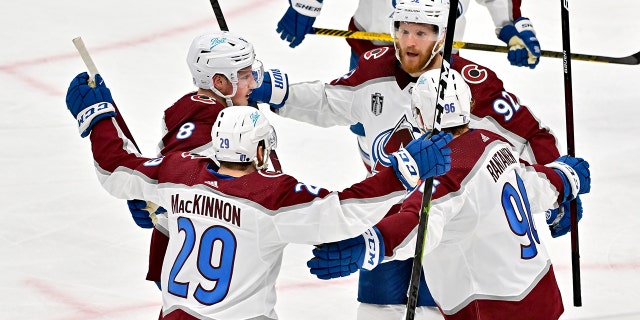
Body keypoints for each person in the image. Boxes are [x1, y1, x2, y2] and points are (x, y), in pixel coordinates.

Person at [251, 0, 578, 318]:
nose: (408, 42)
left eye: (421, 33)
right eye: (403, 30)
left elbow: (532, 137)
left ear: (442, 37)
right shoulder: (374, 68)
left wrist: (559, 188)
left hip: (449, 227)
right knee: (374, 309)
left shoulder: (472, 86)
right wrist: (275, 92)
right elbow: (328, 100)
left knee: (437, 307)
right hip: (388, 209)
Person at [64, 71, 454, 319]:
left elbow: (116, 167)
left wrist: (98, 116)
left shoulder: (178, 171)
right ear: (262, 152)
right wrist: (404, 170)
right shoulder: (271, 196)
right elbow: (343, 211)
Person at [306, 68, 591, 319]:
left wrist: (370, 245)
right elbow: (531, 184)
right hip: (541, 292)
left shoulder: (443, 173)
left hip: (490, 307)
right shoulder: (496, 143)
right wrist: (566, 177)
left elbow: (418, 224)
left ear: (417, 115)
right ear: (468, 105)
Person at [125, 31, 269, 288]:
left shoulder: (183, 108)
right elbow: (180, 164)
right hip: (198, 255)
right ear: (220, 82)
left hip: (183, 244)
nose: (253, 84)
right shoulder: (218, 124)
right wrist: (149, 196)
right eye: (245, 76)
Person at [275, 0, 541, 70]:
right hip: (374, 47)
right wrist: (306, 3)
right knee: (371, 133)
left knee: (438, 140)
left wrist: (513, 26)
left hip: (440, 57)